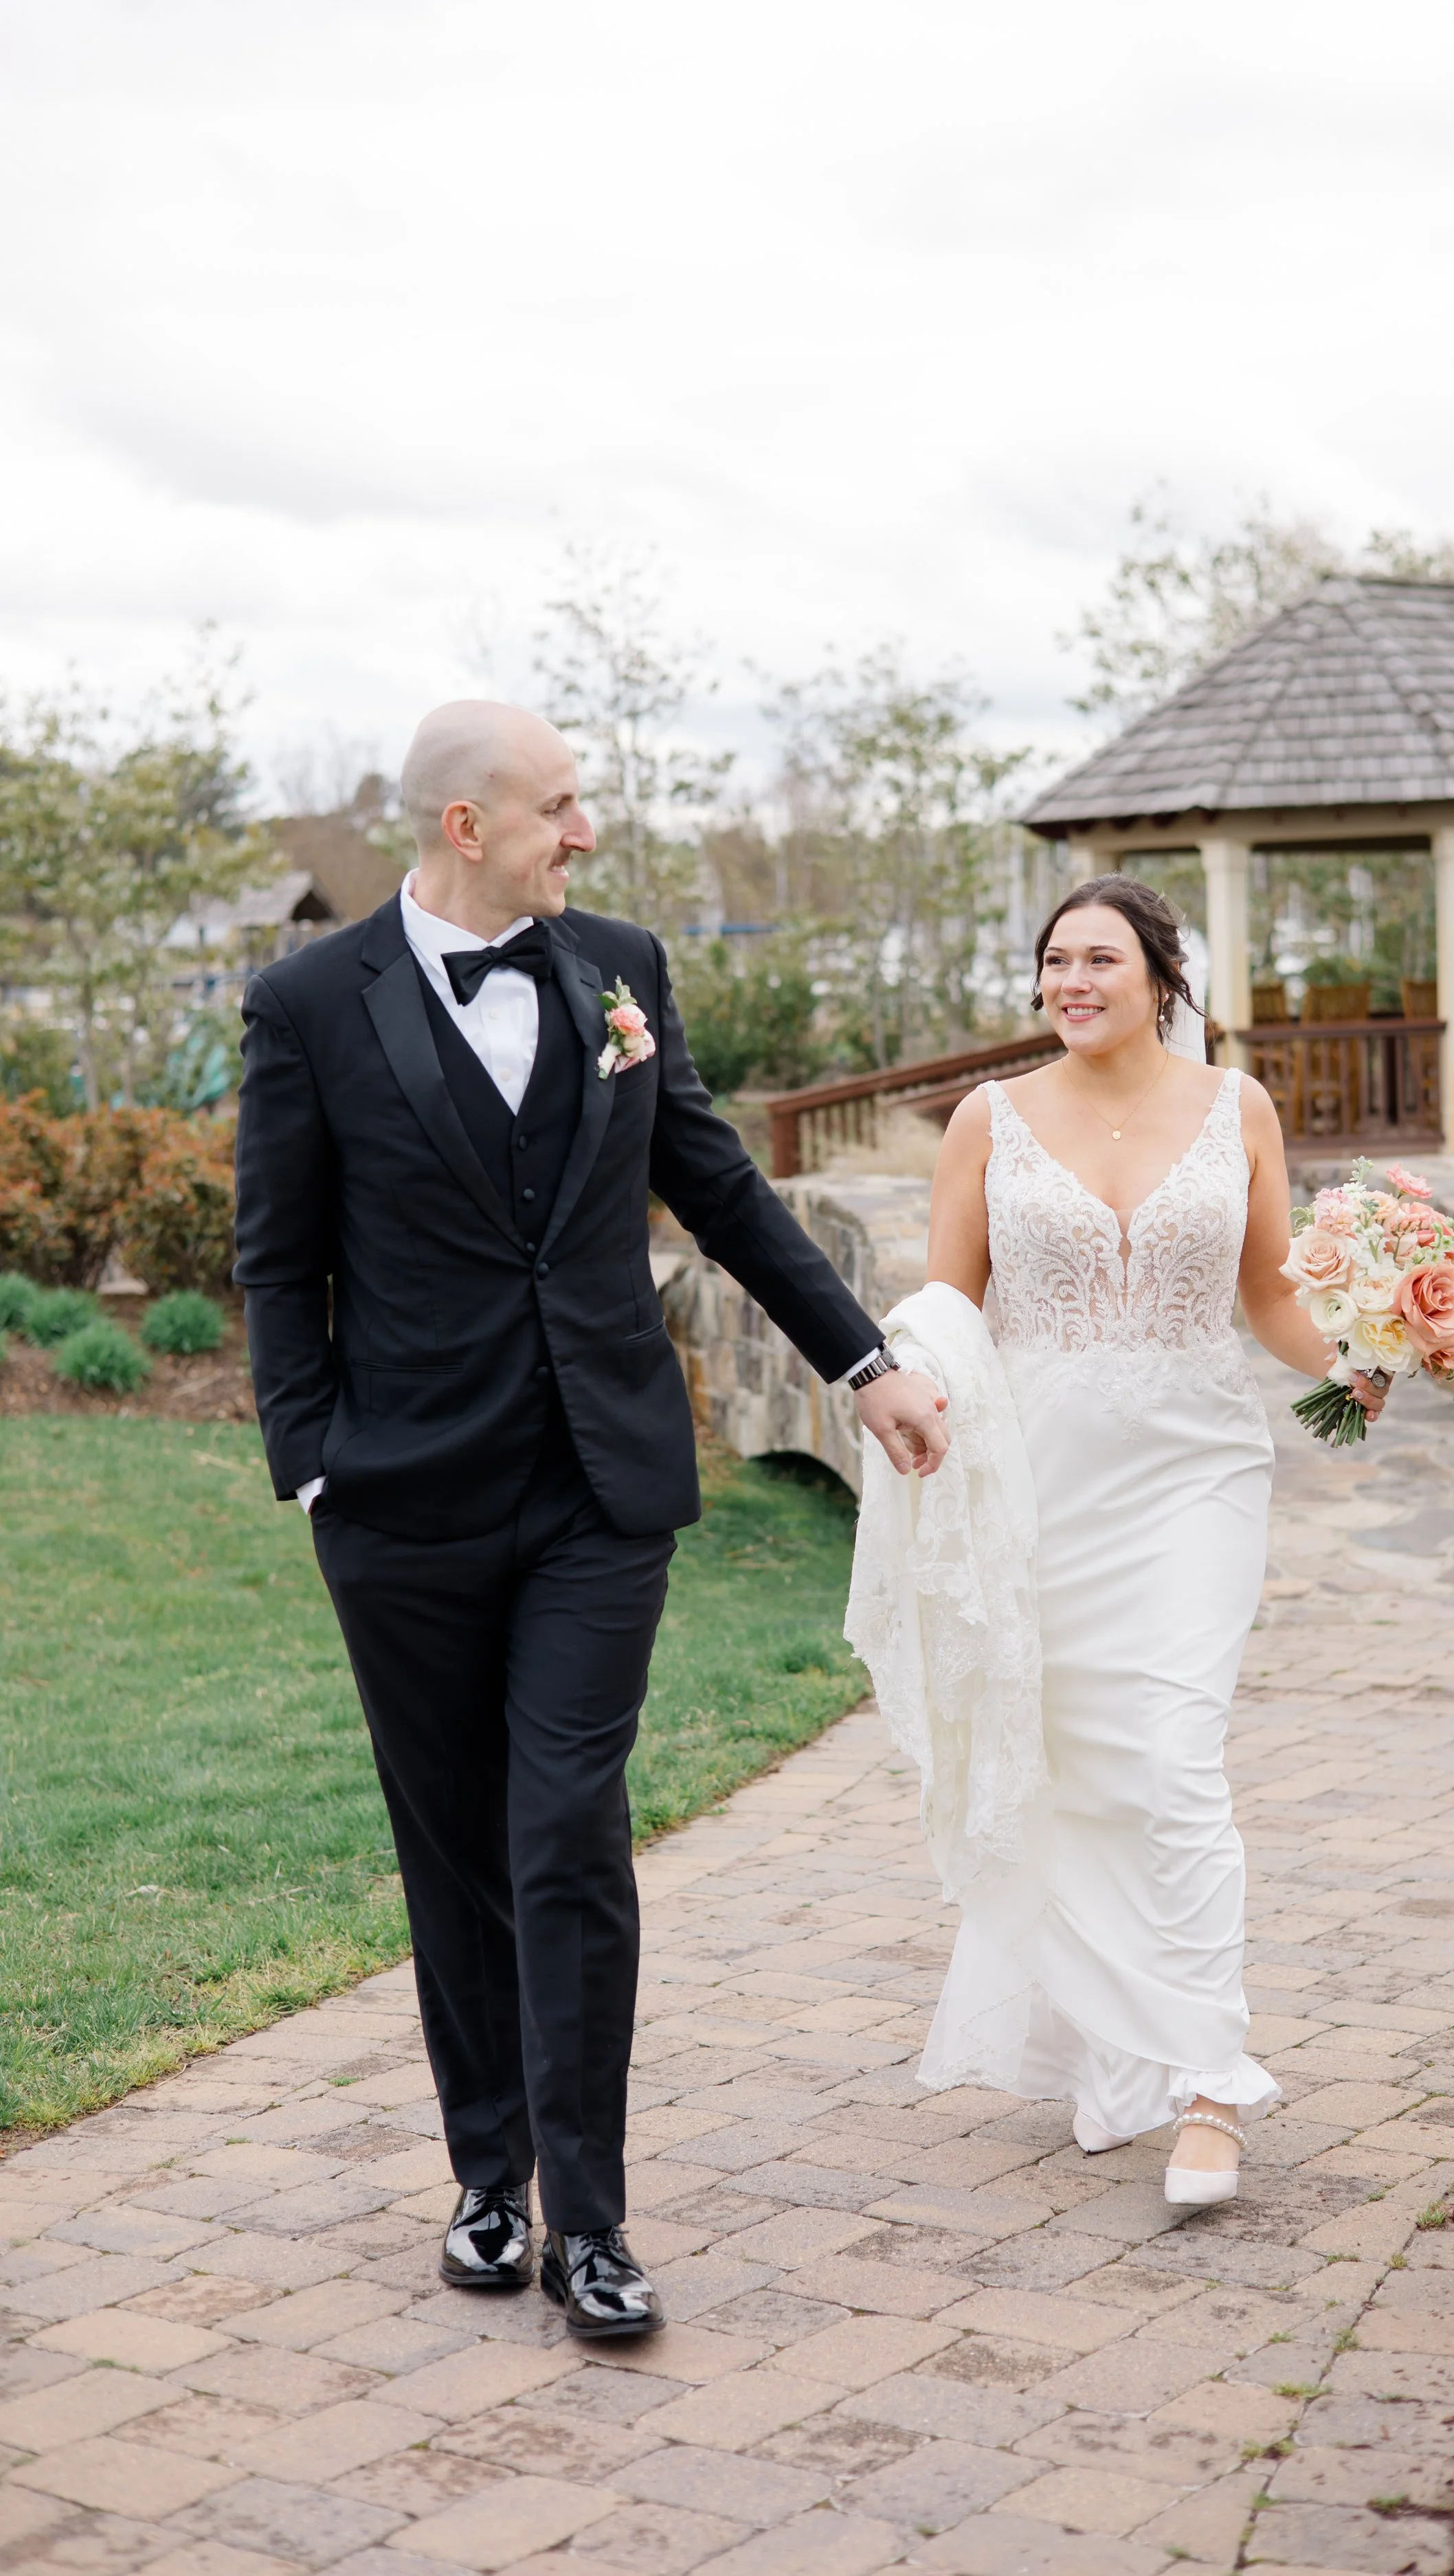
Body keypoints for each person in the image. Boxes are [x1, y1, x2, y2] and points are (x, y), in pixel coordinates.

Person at [233, 700, 947, 2334]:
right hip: (399, 1500)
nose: (588, 831)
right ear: (465, 826)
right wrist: (314, 1457)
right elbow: (279, 1255)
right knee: (454, 1851)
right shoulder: (307, 1003)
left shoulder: (617, 963)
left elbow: (716, 1181)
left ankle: (592, 2221)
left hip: (594, 1490)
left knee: (564, 1835)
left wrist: (861, 1360)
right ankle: (486, 2180)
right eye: (562, 806)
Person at [915, 874, 1385, 2203]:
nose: (1072, 981)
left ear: (1161, 975)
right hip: (1040, 1481)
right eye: (1055, 960)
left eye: (1101, 959)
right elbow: (950, 1306)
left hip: (1197, 1471)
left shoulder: (1237, 1107)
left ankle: (1209, 2083)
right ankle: (1119, 2041)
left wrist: (1356, 1352)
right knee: (1075, 1760)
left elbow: (1268, 1290)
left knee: (1175, 1755)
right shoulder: (986, 1121)